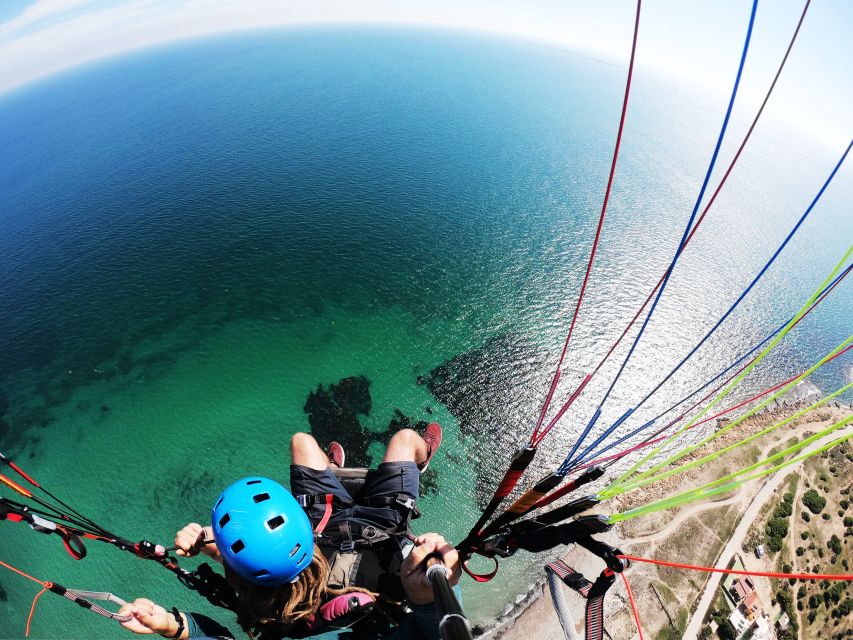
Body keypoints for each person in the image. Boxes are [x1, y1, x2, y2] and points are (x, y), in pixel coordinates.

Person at [118, 425, 460, 639]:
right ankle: (421, 457)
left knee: (301, 442)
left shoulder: (269, 599)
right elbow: (437, 631)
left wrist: (176, 627)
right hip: (377, 529)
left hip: (321, 525)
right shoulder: (388, 592)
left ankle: (331, 473)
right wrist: (427, 596)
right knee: (404, 440)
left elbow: (247, 561)